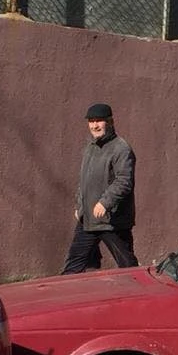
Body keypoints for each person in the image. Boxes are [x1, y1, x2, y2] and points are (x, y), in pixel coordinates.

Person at [62, 102, 138, 274]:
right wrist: (80, 205)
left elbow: (124, 181)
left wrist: (105, 202)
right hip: (88, 218)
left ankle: (141, 289)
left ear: (110, 122)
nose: (94, 125)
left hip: (112, 221)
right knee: (73, 266)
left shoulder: (121, 149)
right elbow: (84, 181)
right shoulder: (90, 148)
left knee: (128, 267)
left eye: (99, 121)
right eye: (91, 121)